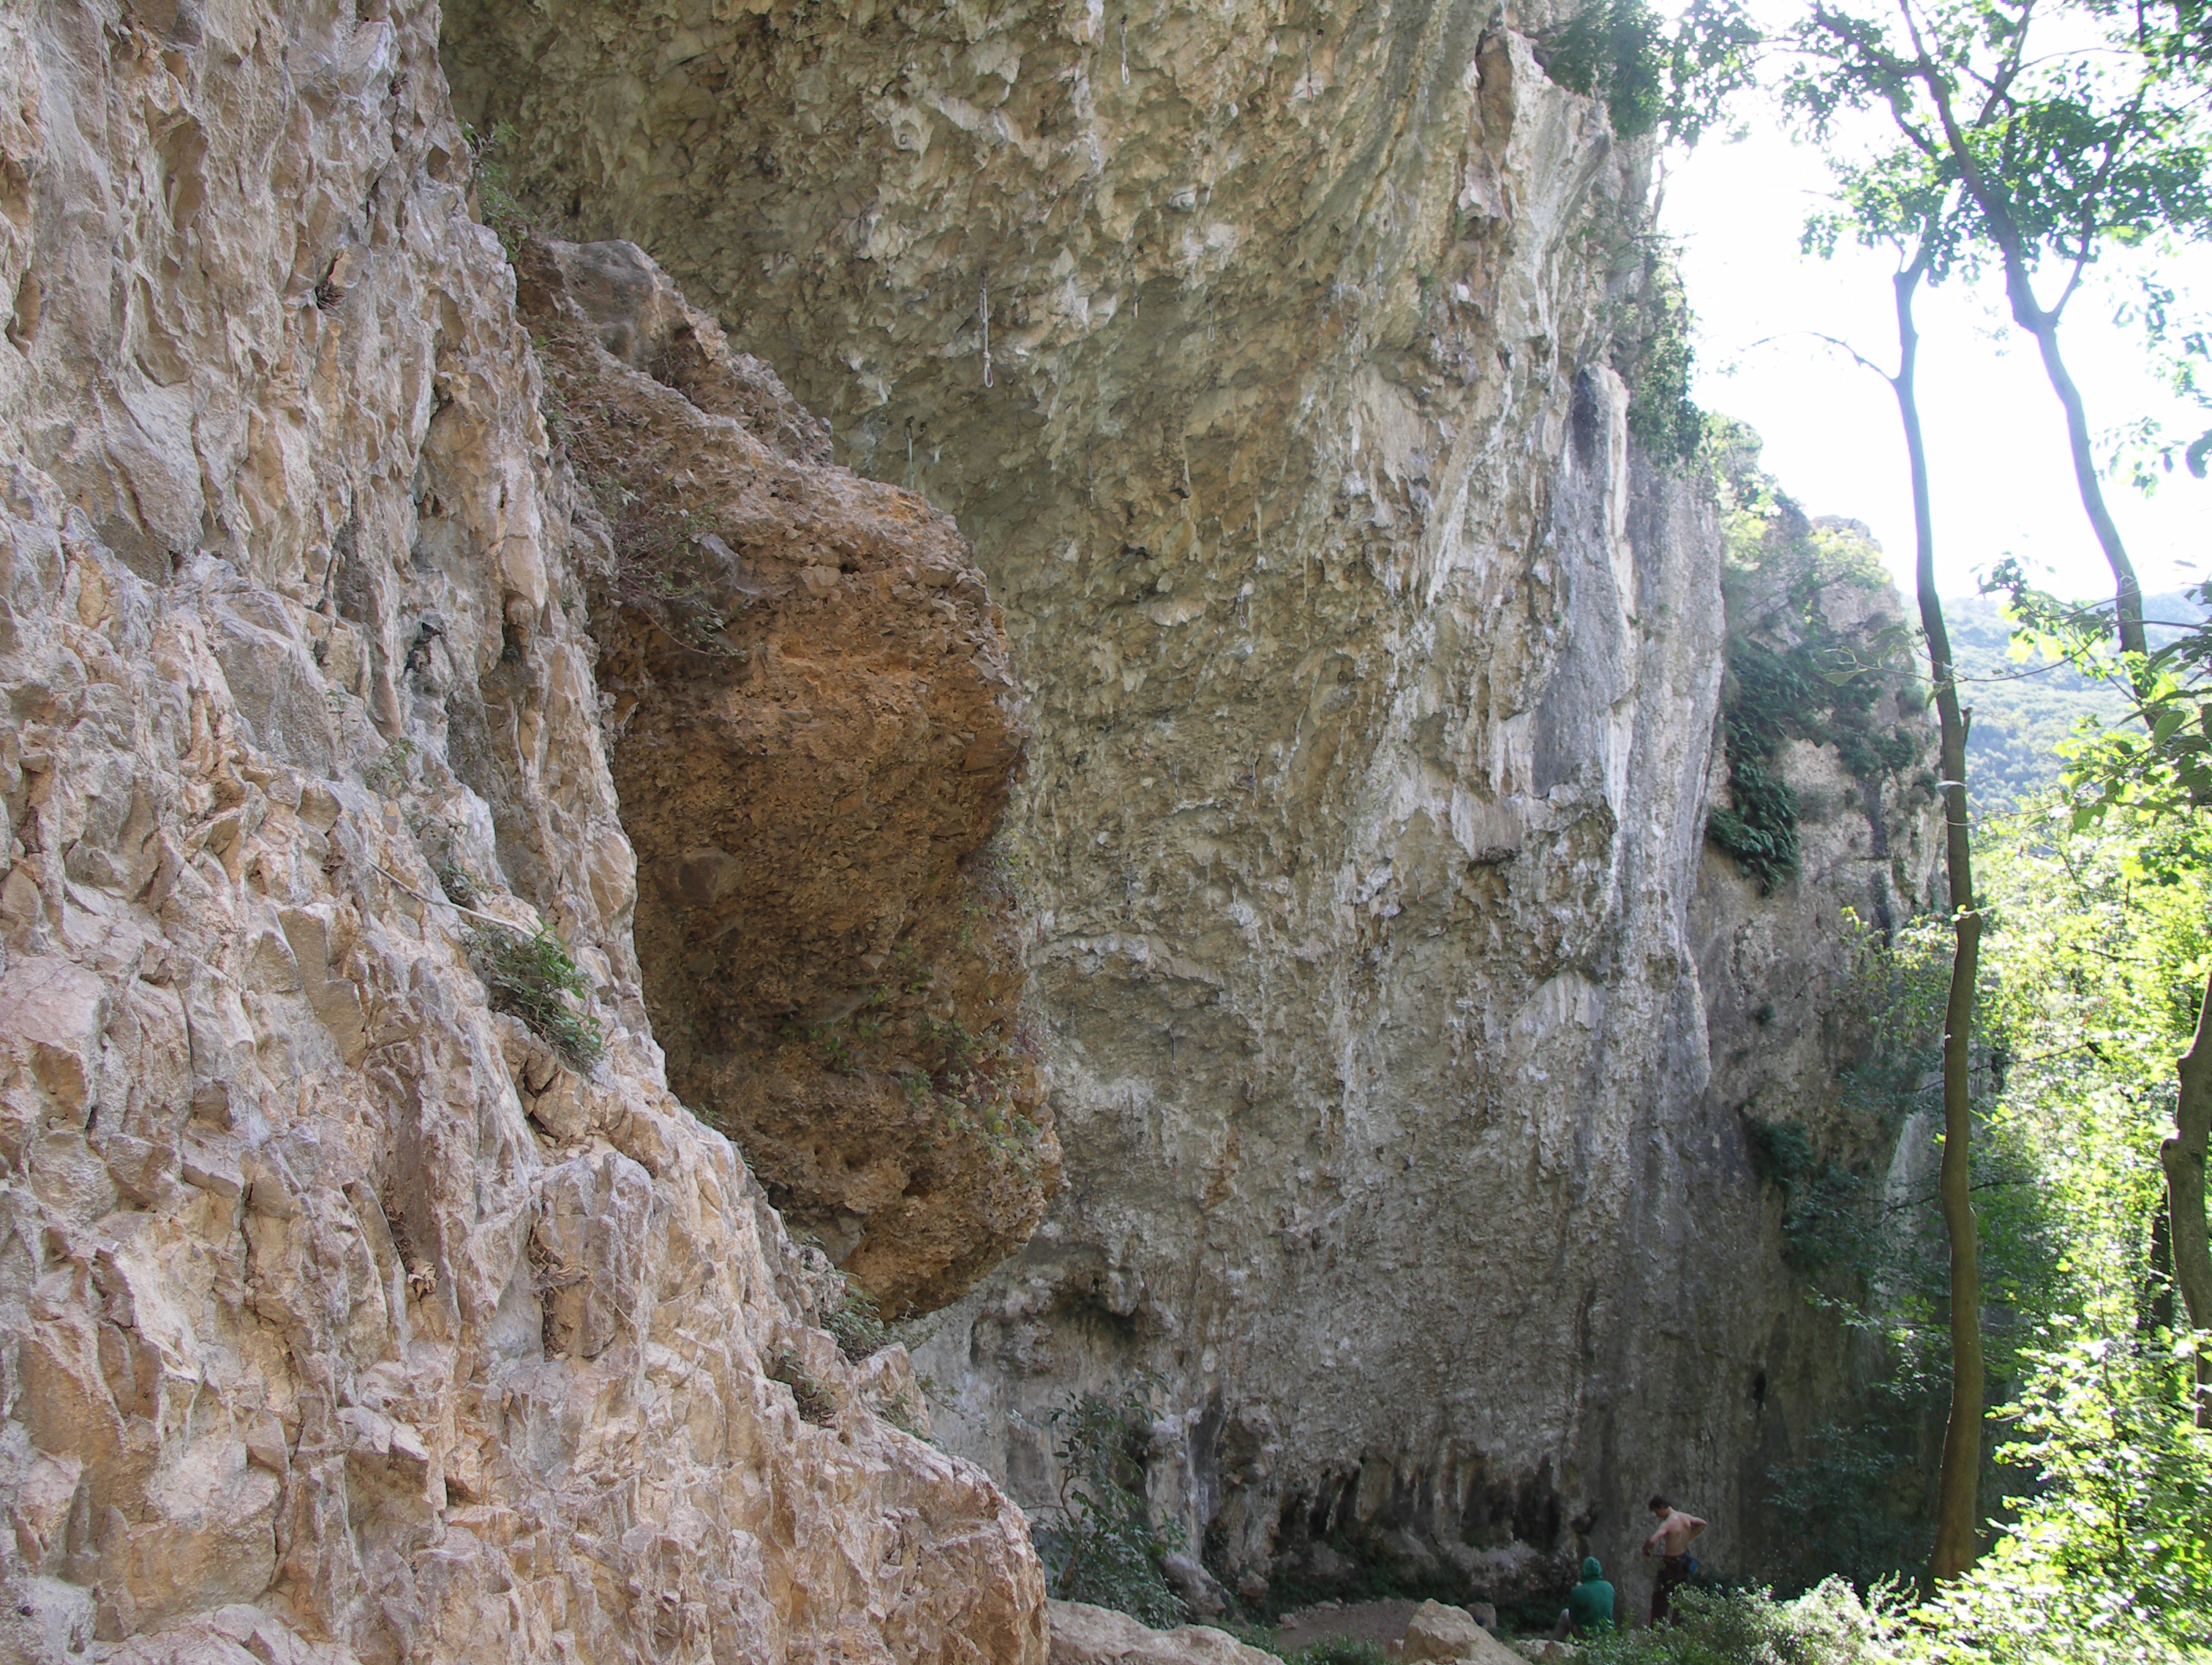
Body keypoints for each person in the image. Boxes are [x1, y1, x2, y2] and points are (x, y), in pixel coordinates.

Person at [1641, 1495, 1707, 1625]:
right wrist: (1689, 1536)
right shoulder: (1685, 1517)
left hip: (1671, 1564)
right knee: (1680, 1596)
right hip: (1684, 1561)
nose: (1657, 1515)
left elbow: (1653, 1539)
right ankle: (1678, 1626)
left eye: (1656, 1511)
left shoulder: (1669, 1522)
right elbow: (1702, 1524)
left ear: (1661, 1507)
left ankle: (1657, 1629)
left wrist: (1646, 1550)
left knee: (1660, 1597)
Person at [1552, 1557, 1616, 1639]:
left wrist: (1579, 1590)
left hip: (1586, 1635)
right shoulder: (1609, 1587)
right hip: (1606, 1634)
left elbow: (1574, 1617)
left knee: (1565, 1614)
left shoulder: (1577, 1592)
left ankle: (1553, 1645)